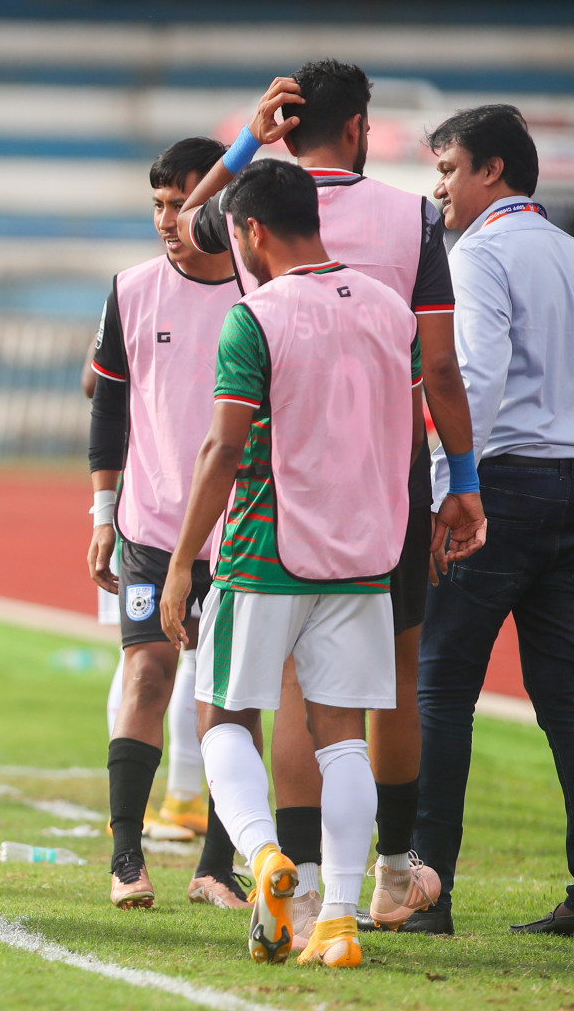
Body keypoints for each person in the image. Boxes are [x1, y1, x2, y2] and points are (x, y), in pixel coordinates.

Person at [177, 59, 486, 945]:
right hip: (380, 510)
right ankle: (379, 883)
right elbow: (440, 370)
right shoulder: (410, 224)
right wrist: (458, 483)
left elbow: (184, 231)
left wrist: (244, 141)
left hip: (273, 509)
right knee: (372, 701)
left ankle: (293, 876)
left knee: (271, 697)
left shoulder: (249, 234)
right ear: (358, 129)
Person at [162, 158, 428, 968]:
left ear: (249, 232)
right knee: (343, 737)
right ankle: (341, 921)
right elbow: (408, 423)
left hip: (266, 548)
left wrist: (181, 565)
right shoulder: (391, 308)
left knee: (221, 718)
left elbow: (222, 446)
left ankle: (266, 857)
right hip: (364, 555)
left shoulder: (257, 316)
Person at [413, 105, 574, 937]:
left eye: (448, 168)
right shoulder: (567, 251)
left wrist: (453, 485)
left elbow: (466, 375)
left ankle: (426, 894)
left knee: (439, 687)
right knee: (567, 701)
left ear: (494, 172)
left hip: (500, 485)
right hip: (569, 483)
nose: (437, 186)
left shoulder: (474, 253)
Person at [88, 137, 248, 911]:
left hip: (244, 527)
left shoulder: (264, 292)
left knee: (231, 694)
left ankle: (217, 863)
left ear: (222, 208)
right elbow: (110, 405)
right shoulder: (131, 289)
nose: (167, 219)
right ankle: (126, 856)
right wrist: (99, 510)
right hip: (150, 526)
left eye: (182, 203)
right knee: (148, 674)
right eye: (157, 204)